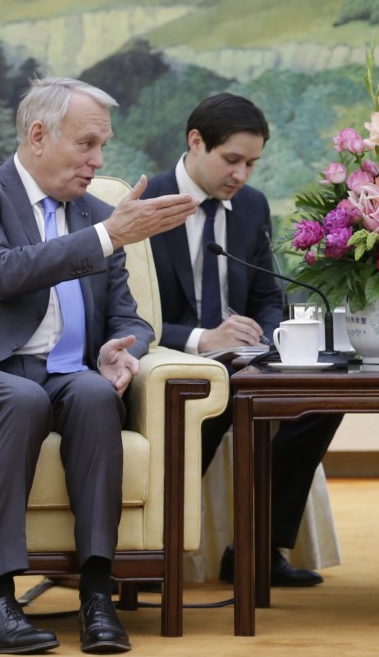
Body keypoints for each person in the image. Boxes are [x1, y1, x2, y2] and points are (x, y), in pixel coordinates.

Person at [0, 76, 198, 654]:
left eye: (102, 146)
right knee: (21, 397)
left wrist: (120, 347)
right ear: (38, 134)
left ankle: (98, 597)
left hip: (63, 376)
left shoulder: (97, 216)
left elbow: (131, 318)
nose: (98, 160)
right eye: (86, 144)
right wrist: (109, 235)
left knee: (90, 393)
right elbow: (2, 272)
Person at [144, 93, 343, 587]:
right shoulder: (145, 203)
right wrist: (202, 339)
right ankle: (156, 549)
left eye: (252, 163)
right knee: (221, 389)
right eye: (232, 160)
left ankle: (257, 548)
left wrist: (272, 336)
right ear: (195, 142)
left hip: (244, 355)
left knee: (323, 398)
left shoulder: (250, 206)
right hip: (173, 355)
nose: (242, 175)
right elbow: (128, 315)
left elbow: (266, 295)